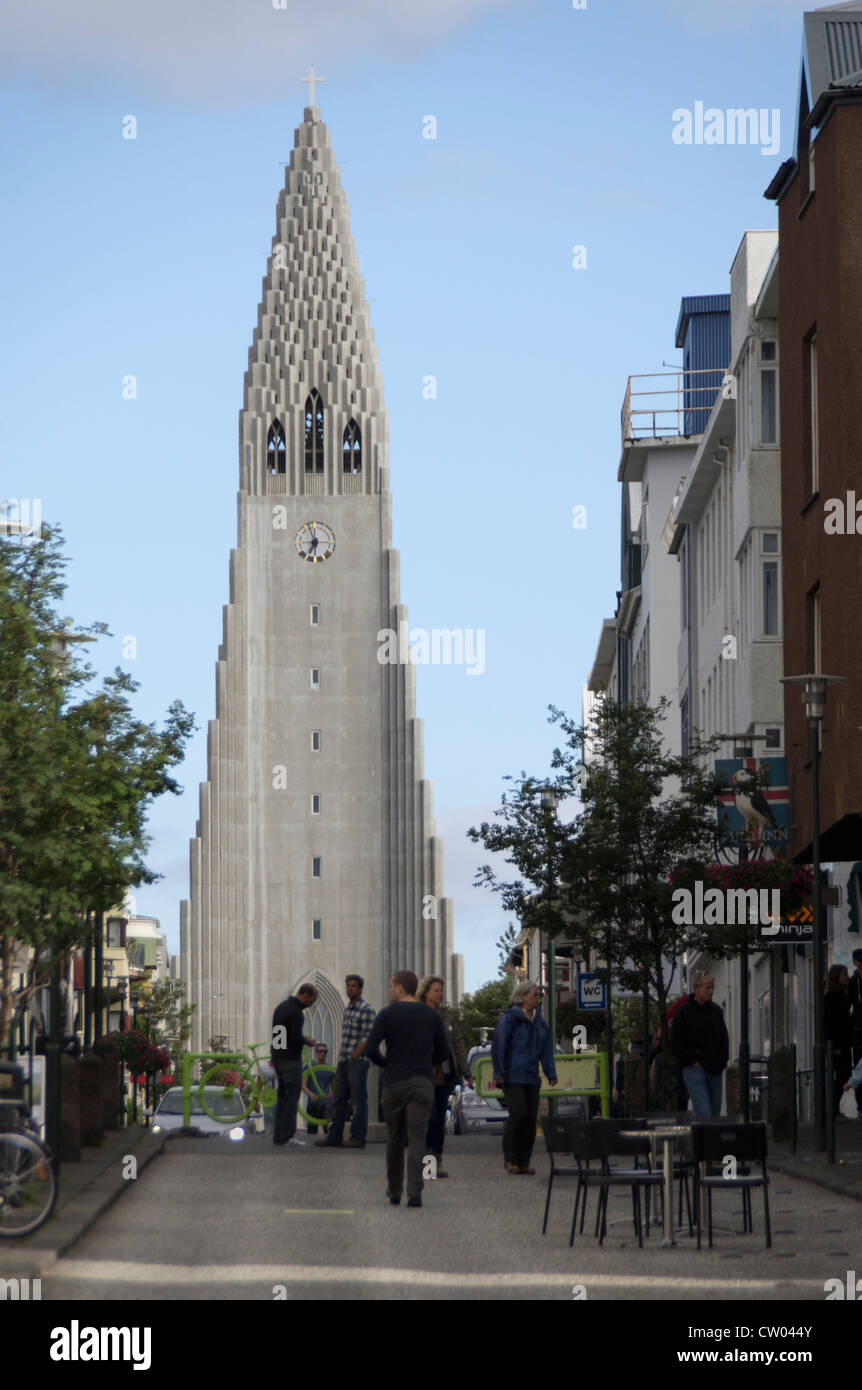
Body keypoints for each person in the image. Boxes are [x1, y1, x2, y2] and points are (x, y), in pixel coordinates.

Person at [364, 970, 448, 1208]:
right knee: (417, 1137)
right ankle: (415, 1193)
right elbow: (443, 1051)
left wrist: (386, 1063)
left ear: (400, 988)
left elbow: (371, 1048)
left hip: (394, 1082)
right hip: (421, 1082)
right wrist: (425, 1061)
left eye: (391, 986)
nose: (389, 990)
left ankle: (394, 1190)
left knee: (395, 1138)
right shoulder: (430, 1016)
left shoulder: (387, 1014)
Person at [491, 980, 558, 1175]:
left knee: (530, 1119)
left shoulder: (539, 1023)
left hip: (531, 1077)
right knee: (518, 1113)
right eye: (535, 995)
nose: (538, 998)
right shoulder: (509, 1019)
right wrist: (499, 1073)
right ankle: (510, 1158)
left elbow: (546, 1051)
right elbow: (499, 1046)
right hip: (513, 1077)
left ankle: (524, 1160)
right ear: (522, 997)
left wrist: (550, 1073)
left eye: (538, 995)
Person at [315, 975, 376, 1149]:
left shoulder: (366, 1009)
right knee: (338, 1099)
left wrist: (355, 1056)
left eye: (354, 986)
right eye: (348, 986)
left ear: (361, 989)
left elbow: (368, 1037)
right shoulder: (349, 1008)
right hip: (343, 1061)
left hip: (357, 1062)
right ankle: (334, 1136)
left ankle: (357, 1137)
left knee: (358, 1101)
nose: (350, 989)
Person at [416, 975, 468, 1178]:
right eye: (436, 990)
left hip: (445, 1074)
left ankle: (436, 1160)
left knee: (438, 1121)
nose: (440, 993)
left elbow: (458, 1044)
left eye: (441, 990)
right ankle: (426, 1161)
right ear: (426, 992)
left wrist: (464, 1070)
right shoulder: (418, 1014)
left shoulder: (448, 1017)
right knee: (432, 1116)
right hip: (424, 1073)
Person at [670, 971, 729, 1117]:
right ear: (696, 988)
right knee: (704, 1113)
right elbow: (676, 1041)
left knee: (715, 1114)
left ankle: (709, 1138)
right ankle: (704, 1137)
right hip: (694, 1069)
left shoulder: (716, 1011)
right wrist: (690, 1061)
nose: (711, 991)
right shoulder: (683, 1012)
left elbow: (724, 1037)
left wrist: (722, 1060)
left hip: (715, 1068)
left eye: (712, 987)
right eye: (707, 988)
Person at [270, 983, 318, 1146]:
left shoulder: (280, 1008)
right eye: (311, 1001)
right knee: (291, 1099)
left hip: (280, 1060)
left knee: (282, 1098)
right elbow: (296, 1037)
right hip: (291, 1060)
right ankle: (288, 1136)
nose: (309, 1005)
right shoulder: (296, 1012)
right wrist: (307, 1041)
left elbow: (278, 1036)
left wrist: (276, 1058)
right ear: (305, 995)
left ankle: (278, 1136)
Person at [825, 963, 853, 1120]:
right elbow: (830, 1022)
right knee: (842, 1076)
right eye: (844, 974)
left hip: (844, 1041)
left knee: (845, 1075)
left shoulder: (842, 993)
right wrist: (834, 1045)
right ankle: (833, 1108)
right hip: (838, 1043)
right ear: (836, 977)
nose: (847, 977)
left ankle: (835, 1108)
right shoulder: (832, 996)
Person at [302, 1043, 336, 1135]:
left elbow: (335, 1088)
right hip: (313, 1103)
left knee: (327, 1130)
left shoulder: (330, 1068)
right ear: (316, 1053)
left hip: (326, 1103)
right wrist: (310, 1094)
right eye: (320, 1051)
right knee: (312, 1130)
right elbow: (303, 1085)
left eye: (325, 1051)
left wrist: (333, 1095)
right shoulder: (308, 1066)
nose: (323, 1053)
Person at [849, 950, 862, 1104]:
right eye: (859, 961)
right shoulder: (853, 981)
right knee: (858, 1066)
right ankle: (859, 1103)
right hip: (858, 1028)